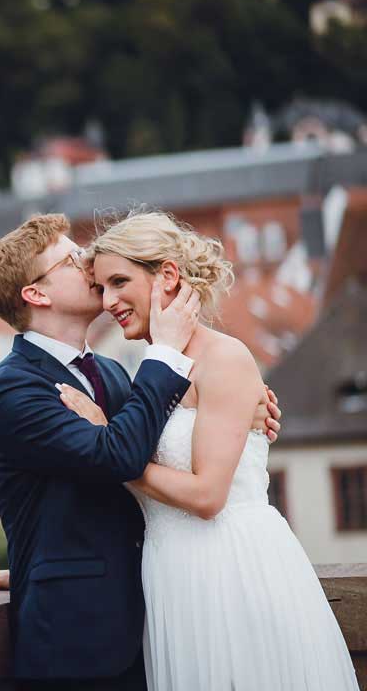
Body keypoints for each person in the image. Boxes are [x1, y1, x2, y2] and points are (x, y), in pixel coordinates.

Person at [0, 214, 281, 691]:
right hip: (77, 641)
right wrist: (165, 351)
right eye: (70, 260)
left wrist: (239, 402)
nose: (87, 266)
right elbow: (117, 458)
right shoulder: (12, 389)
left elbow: (153, 452)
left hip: (158, 611)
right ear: (35, 294)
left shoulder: (109, 371)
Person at [51, 210, 356, 690]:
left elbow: (209, 495)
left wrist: (112, 450)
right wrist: (27, 568)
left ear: (167, 275)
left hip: (230, 571)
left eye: (119, 282)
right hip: (172, 577)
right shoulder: (150, 374)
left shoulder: (225, 358)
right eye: (101, 288)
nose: (108, 301)